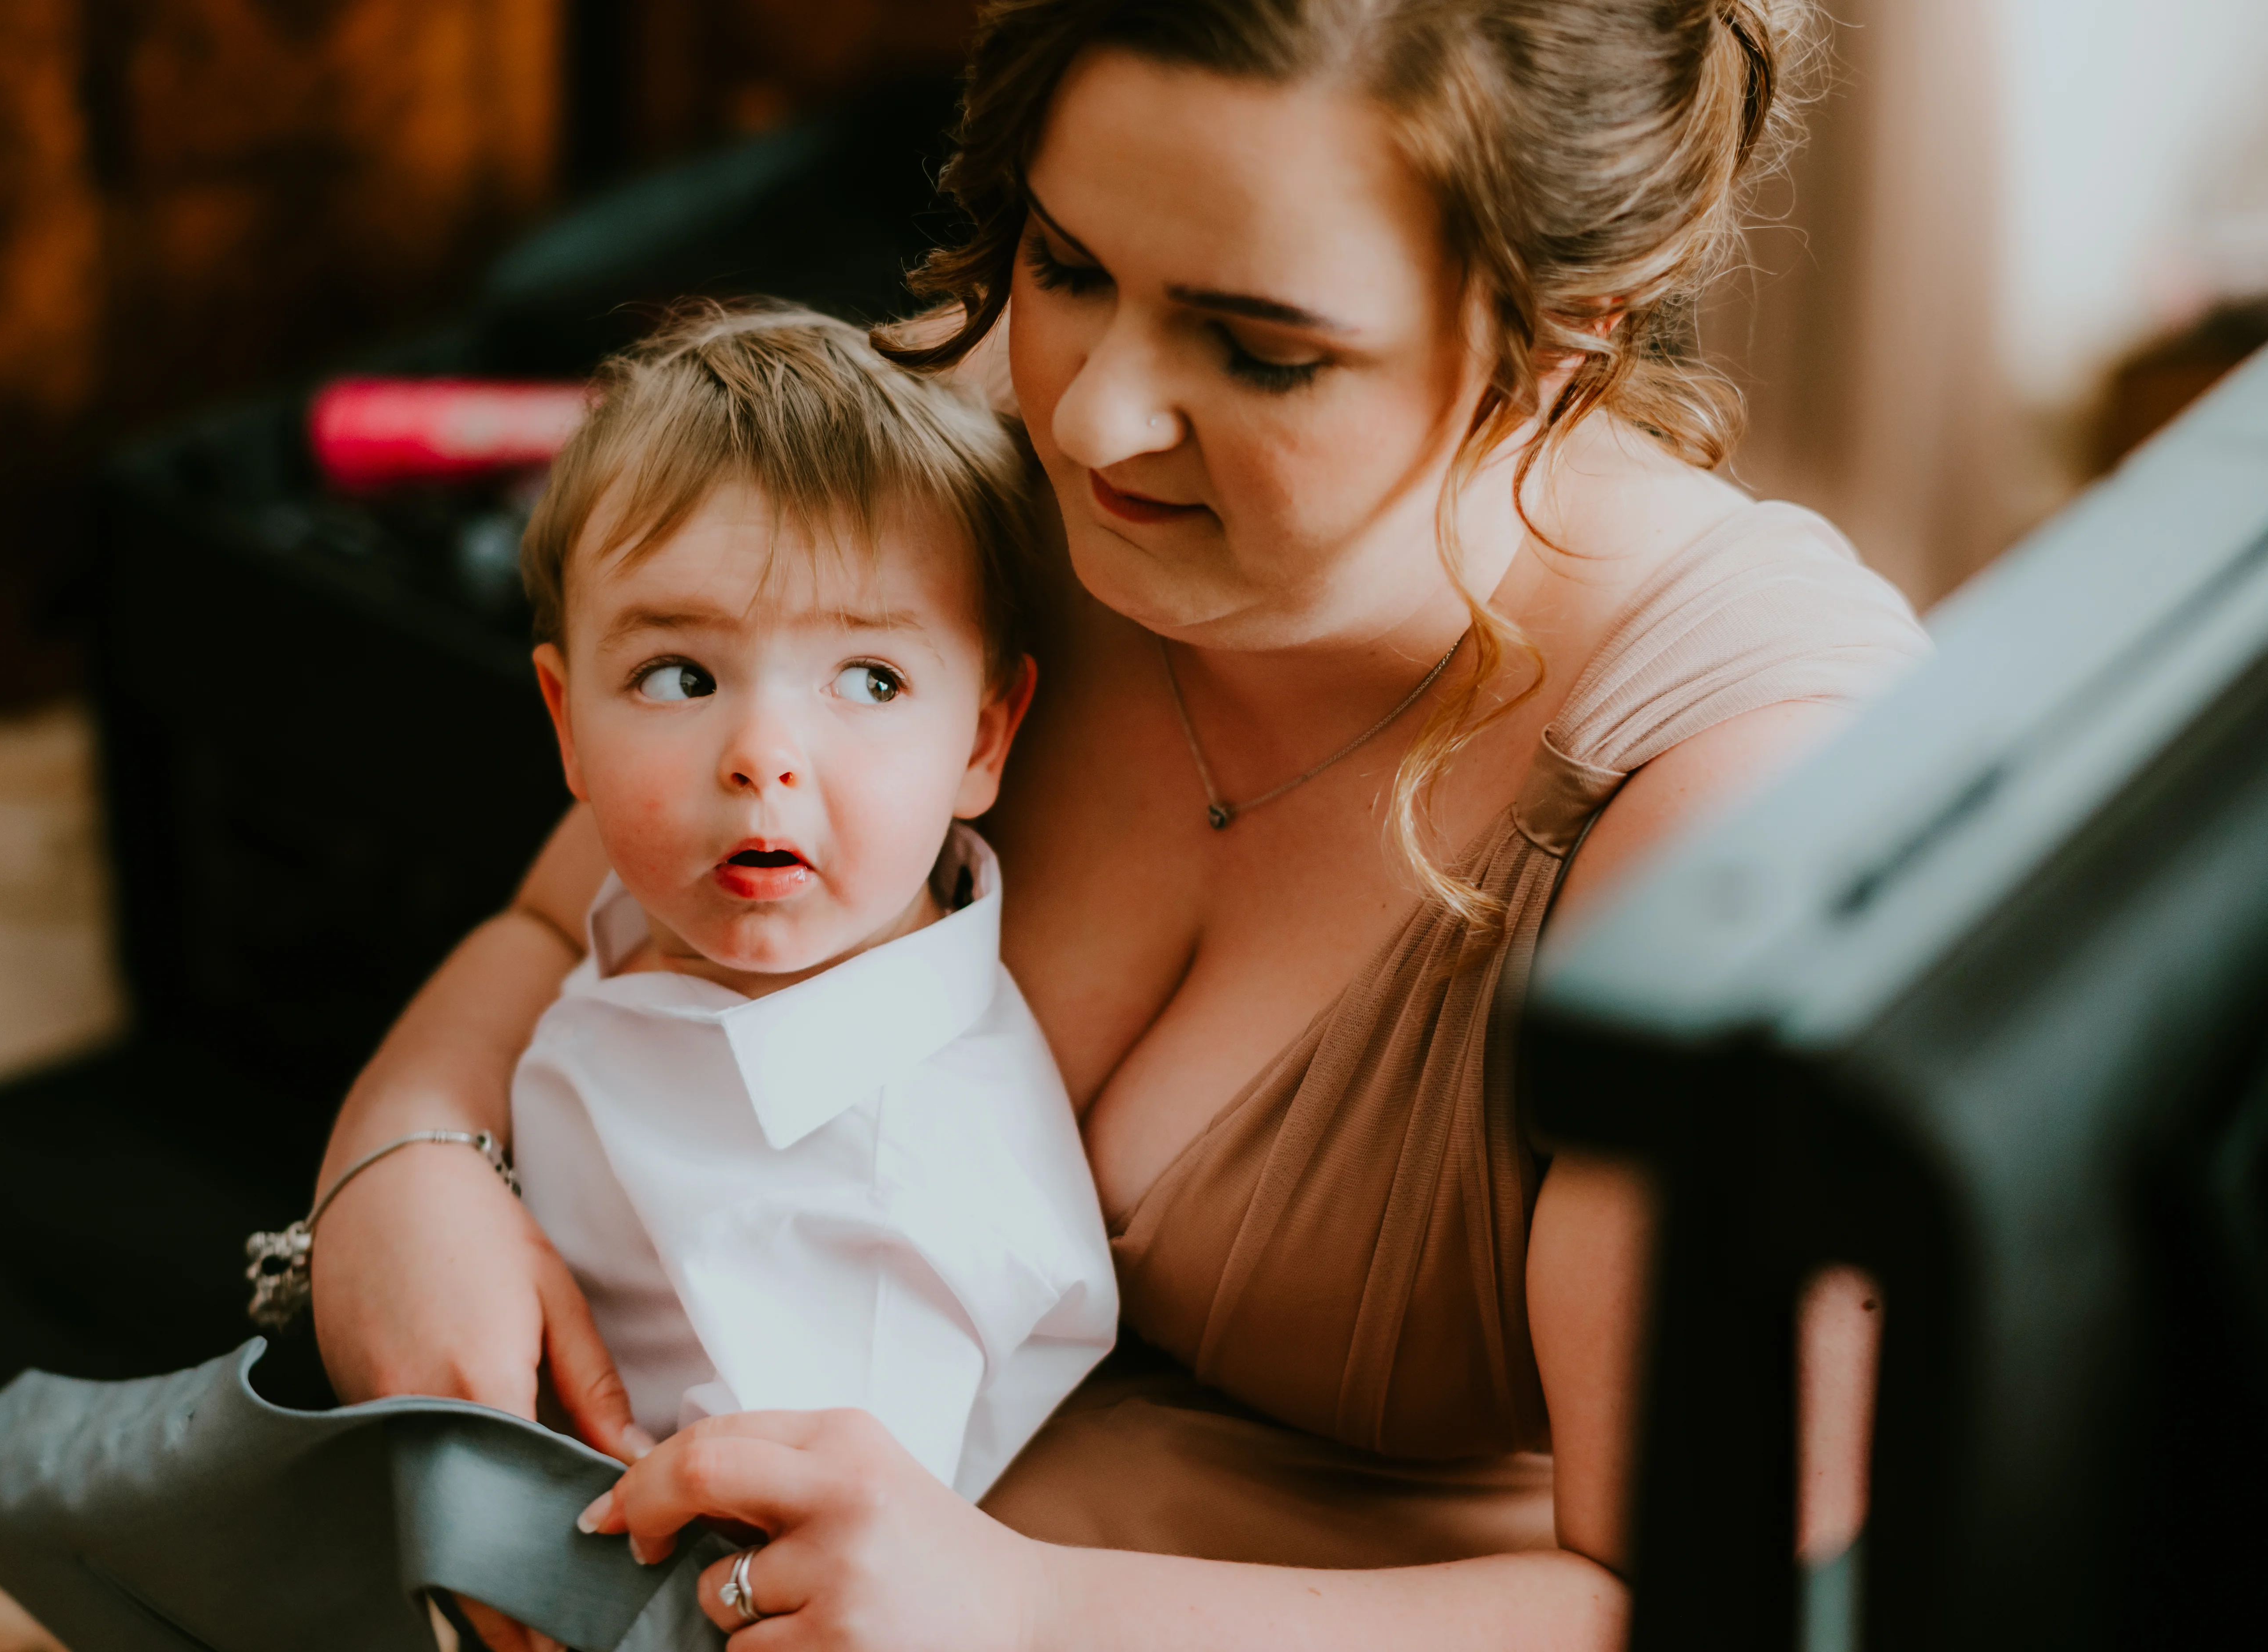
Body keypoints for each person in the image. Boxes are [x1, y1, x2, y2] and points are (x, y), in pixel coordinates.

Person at [311, 2, 1930, 1646]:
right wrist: (402, 1156)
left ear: (1562, 341)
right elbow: (556, 926)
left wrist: (1027, 1614)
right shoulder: (977, 439)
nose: (1086, 421)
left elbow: (1715, 1607)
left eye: (1259, 349)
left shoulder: (1730, 789)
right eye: (1070, 265)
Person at [502, 305, 1115, 1501]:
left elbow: (792, 1561)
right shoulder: (656, 929)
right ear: (567, 722)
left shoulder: (888, 1202)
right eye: (681, 677)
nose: (763, 756)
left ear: (984, 740)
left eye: (868, 679)